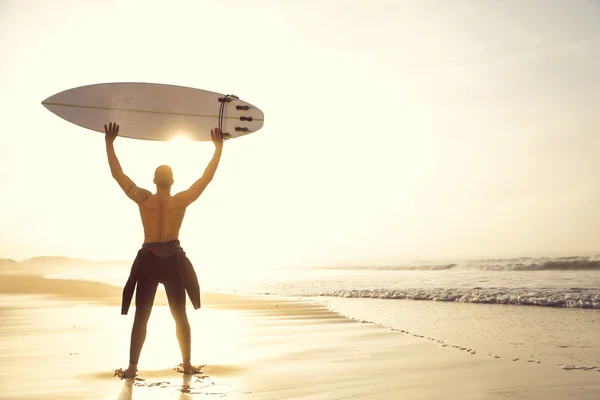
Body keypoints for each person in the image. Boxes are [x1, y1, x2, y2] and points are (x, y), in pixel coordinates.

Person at [104, 122, 224, 378]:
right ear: (172, 181)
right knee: (179, 315)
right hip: (172, 261)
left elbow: (118, 175)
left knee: (142, 316)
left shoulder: (143, 199)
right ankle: (188, 365)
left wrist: (109, 143)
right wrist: (218, 148)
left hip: (149, 260)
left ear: (154, 181)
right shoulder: (180, 200)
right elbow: (206, 179)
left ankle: (132, 368)